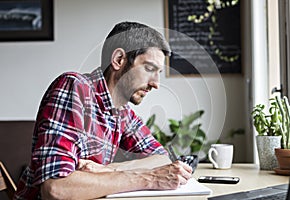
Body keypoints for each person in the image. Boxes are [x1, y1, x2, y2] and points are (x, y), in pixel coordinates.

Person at [14, 21, 192, 200]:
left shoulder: (122, 111)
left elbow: (162, 158)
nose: (156, 83)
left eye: (158, 72)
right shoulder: (74, 88)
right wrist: (150, 178)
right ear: (119, 60)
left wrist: (108, 169)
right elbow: (56, 188)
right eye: (149, 69)